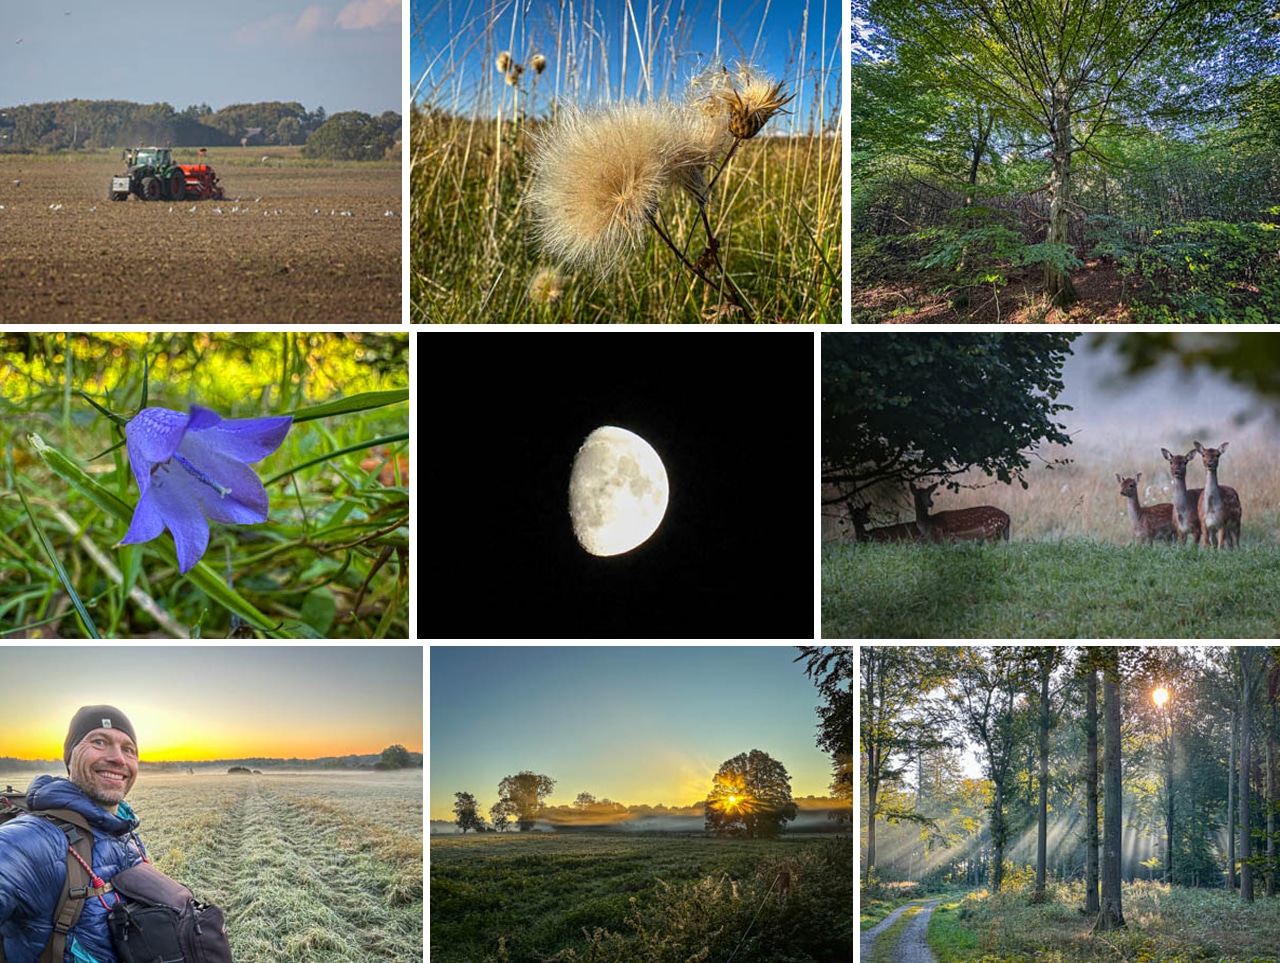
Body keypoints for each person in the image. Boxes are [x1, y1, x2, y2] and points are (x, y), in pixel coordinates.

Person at [0, 705, 148, 963]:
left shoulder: (126, 833)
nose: (119, 759)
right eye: (99, 742)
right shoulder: (27, 841)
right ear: (70, 757)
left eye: (128, 749)